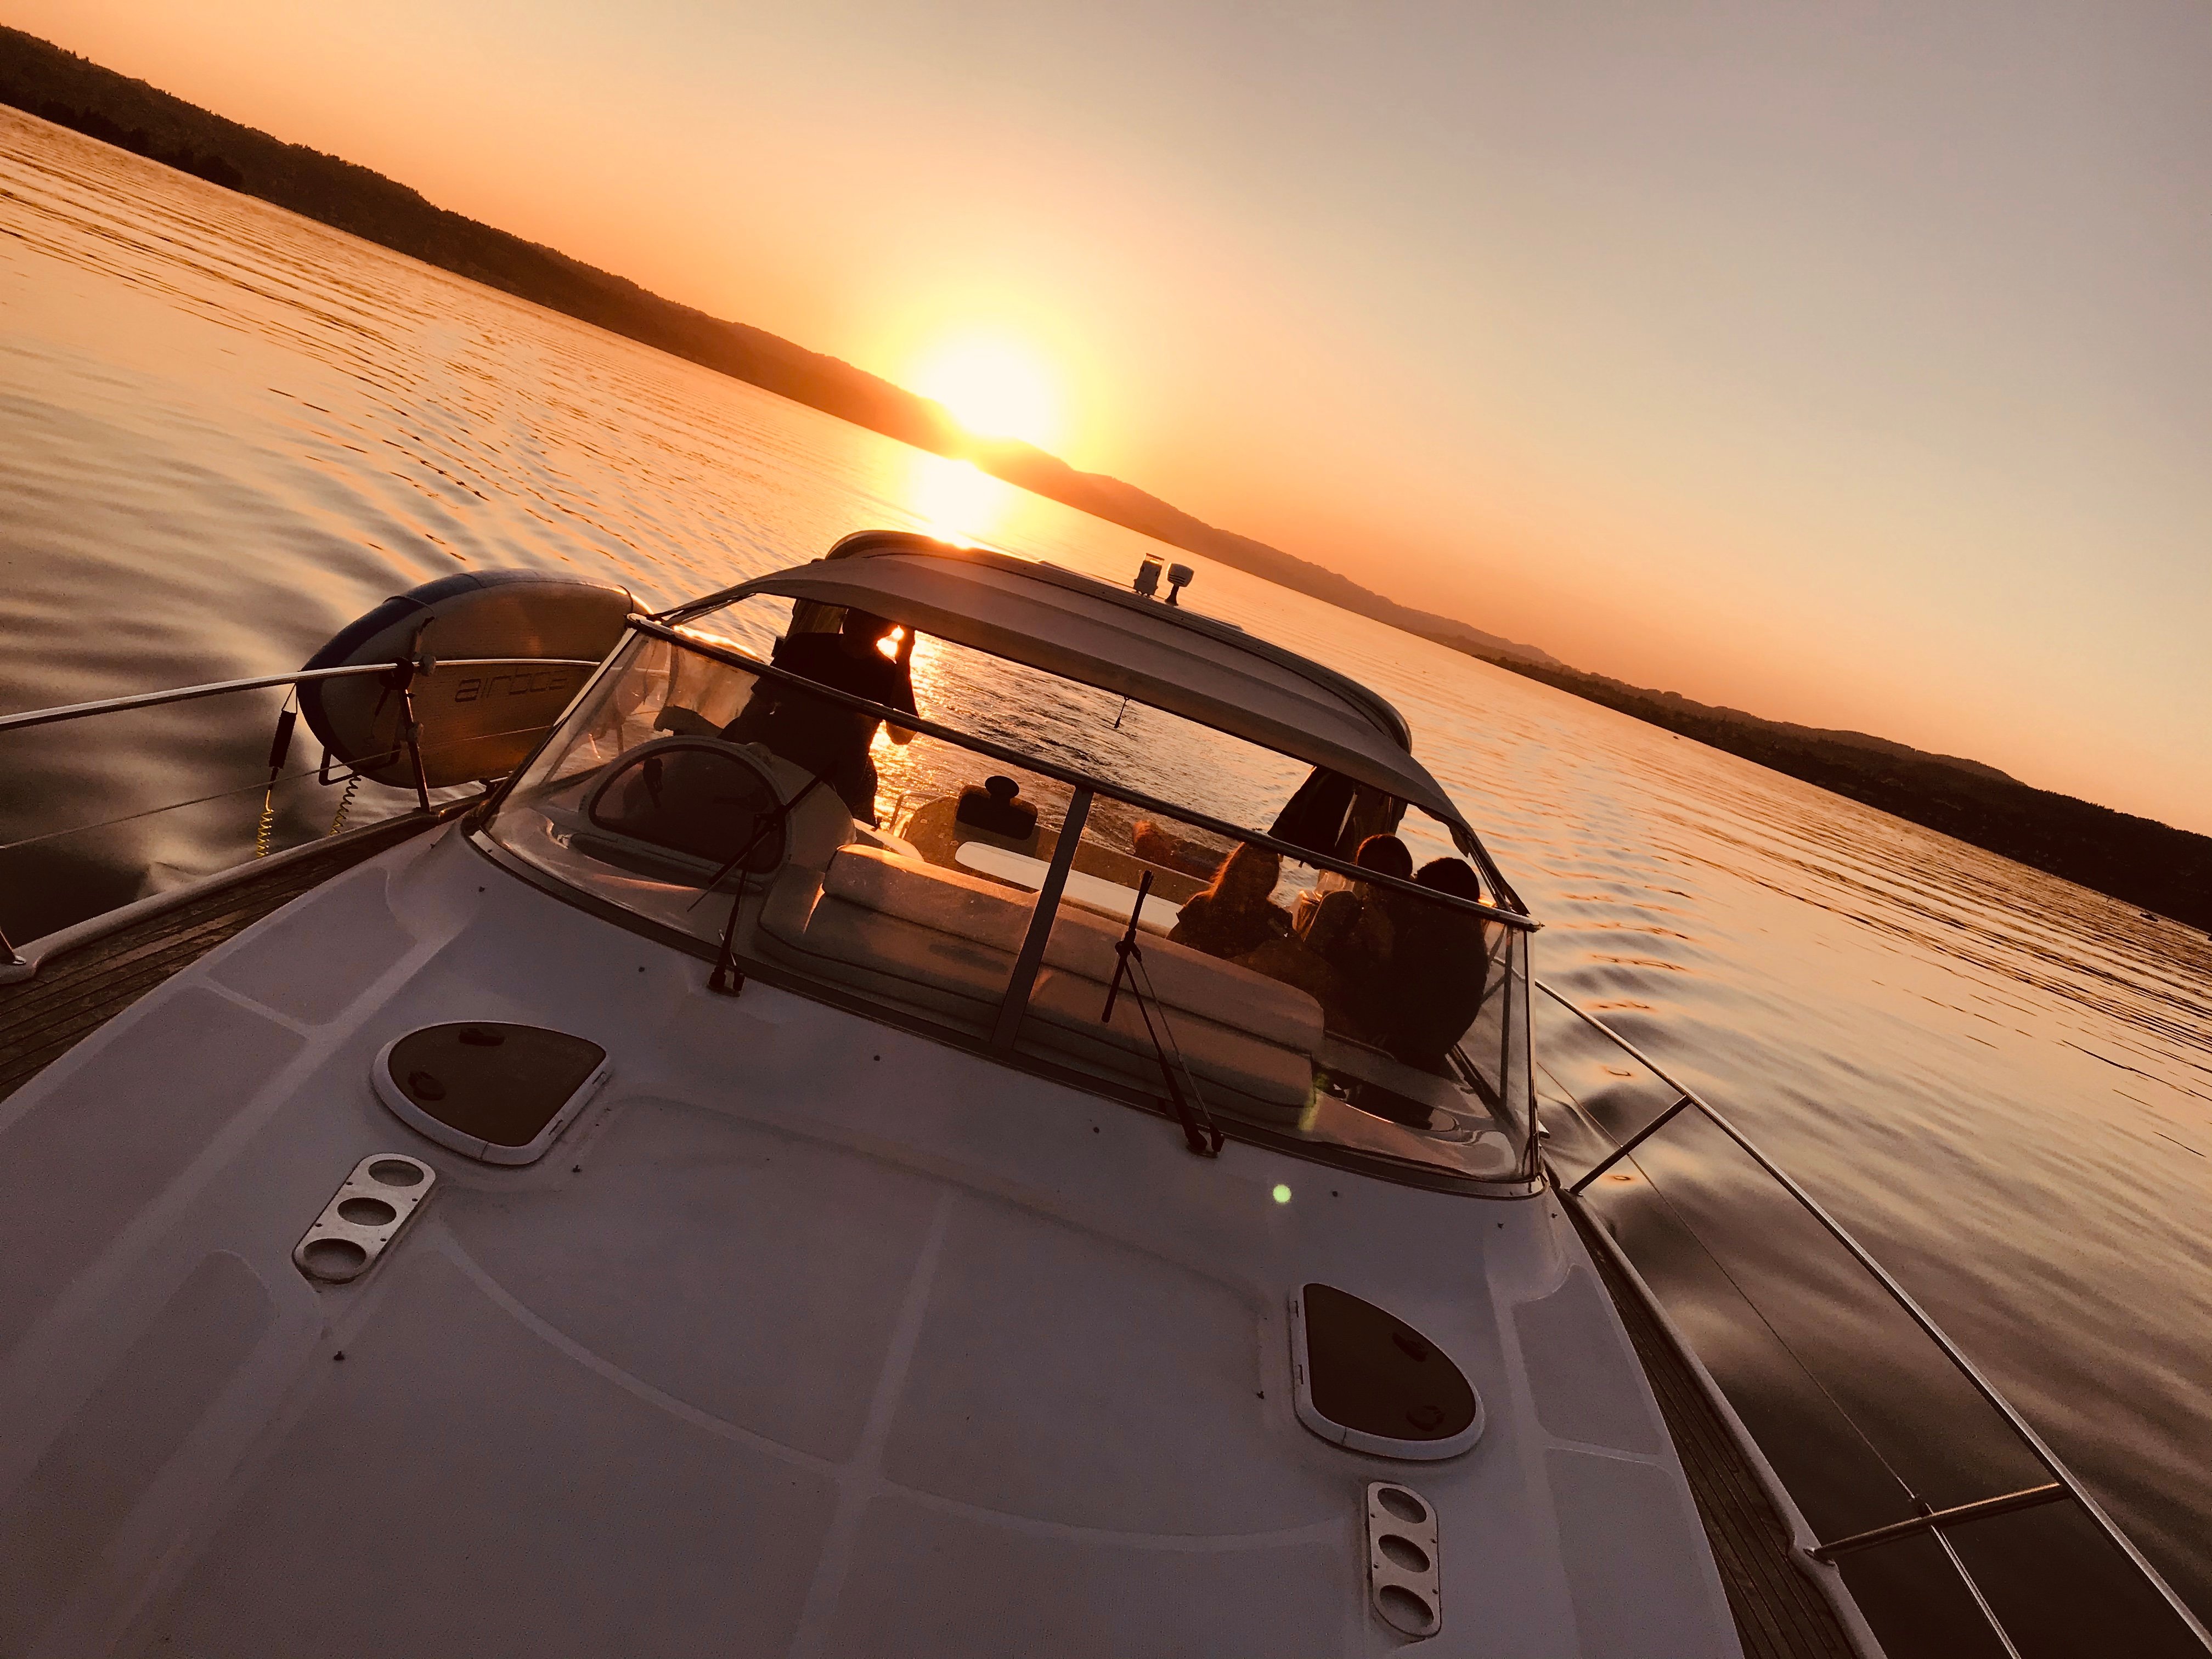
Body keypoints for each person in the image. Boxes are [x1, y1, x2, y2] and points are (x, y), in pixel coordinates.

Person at [724, 608, 916, 823]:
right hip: (778, 753)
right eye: (856, 611)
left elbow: (902, 735)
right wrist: (743, 757)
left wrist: (904, 663)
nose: (859, 620)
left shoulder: (889, 674)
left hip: (834, 776)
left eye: (871, 617)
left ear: (888, 629)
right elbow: (759, 704)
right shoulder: (805, 646)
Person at [1377, 857, 1492, 1073]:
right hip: (1405, 1048)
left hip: (1404, 1058)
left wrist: (1385, 949)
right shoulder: (1448, 936)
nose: (1414, 901)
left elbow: (1401, 1004)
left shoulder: (1454, 951)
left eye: (1422, 894)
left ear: (1442, 902)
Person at [1169, 843, 1293, 961]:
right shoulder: (1202, 905)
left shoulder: (1278, 921)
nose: (1258, 881)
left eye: (1266, 875)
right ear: (1235, 871)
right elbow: (1170, 945)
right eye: (1251, 873)